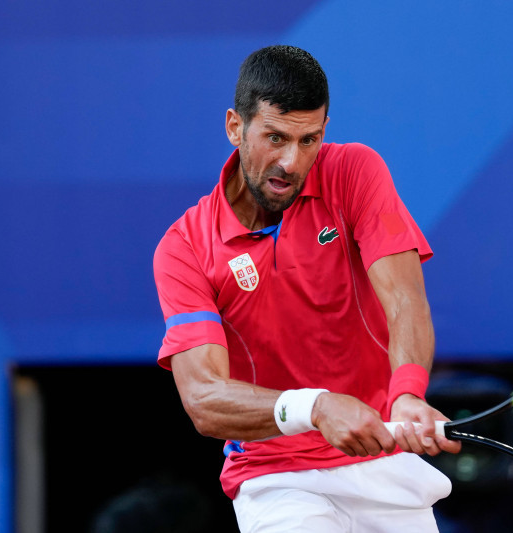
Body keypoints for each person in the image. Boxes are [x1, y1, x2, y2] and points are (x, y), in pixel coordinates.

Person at [153, 44, 461, 532]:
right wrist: (313, 407)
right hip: (277, 481)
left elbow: (404, 298)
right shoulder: (185, 247)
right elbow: (204, 399)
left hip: (381, 459)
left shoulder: (355, 172)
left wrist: (406, 392)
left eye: (309, 140)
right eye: (275, 137)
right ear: (235, 126)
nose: (292, 163)